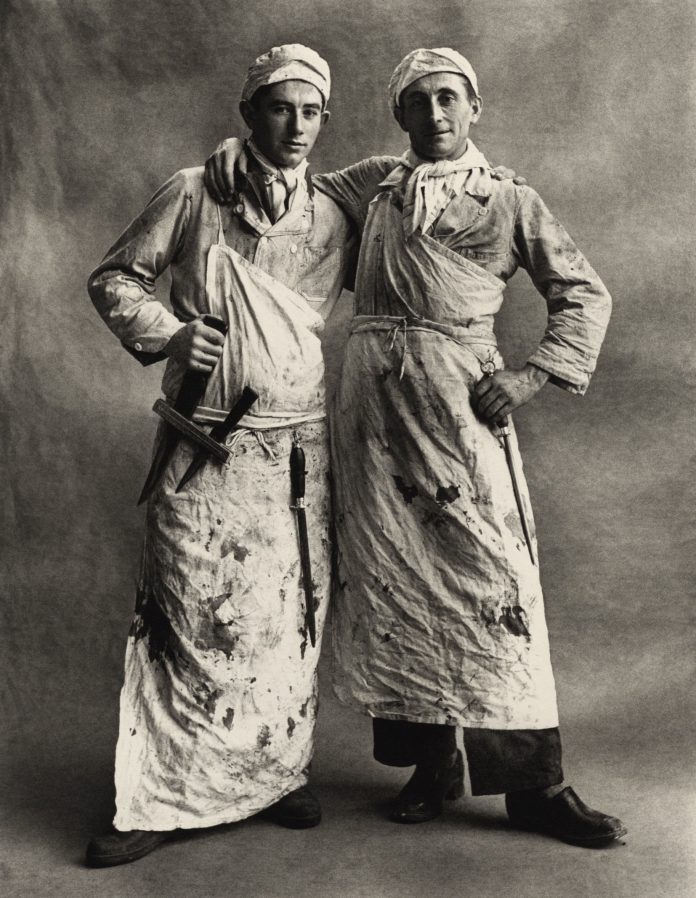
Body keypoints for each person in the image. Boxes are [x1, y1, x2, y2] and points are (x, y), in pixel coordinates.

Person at [204, 47, 626, 847]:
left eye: (448, 99)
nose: (434, 115)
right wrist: (234, 156)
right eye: (418, 102)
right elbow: (287, 198)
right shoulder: (372, 187)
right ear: (399, 115)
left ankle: (534, 787)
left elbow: (581, 291)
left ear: (474, 109)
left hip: (457, 409)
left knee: (494, 582)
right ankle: (433, 768)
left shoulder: (507, 199)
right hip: (372, 410)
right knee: (394, 579)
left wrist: (533, 377)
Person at [85, 44, 358, 867]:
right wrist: (173, 332)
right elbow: (115, 278)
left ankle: (273, 775)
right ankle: (167, 794)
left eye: (312, 112)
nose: (298, 127)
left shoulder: (334, 214)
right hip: (209, 440)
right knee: (196, 609)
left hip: (299, 448)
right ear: (249, 113)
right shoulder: (196, 190)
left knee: (286, 614)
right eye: (281, 108)